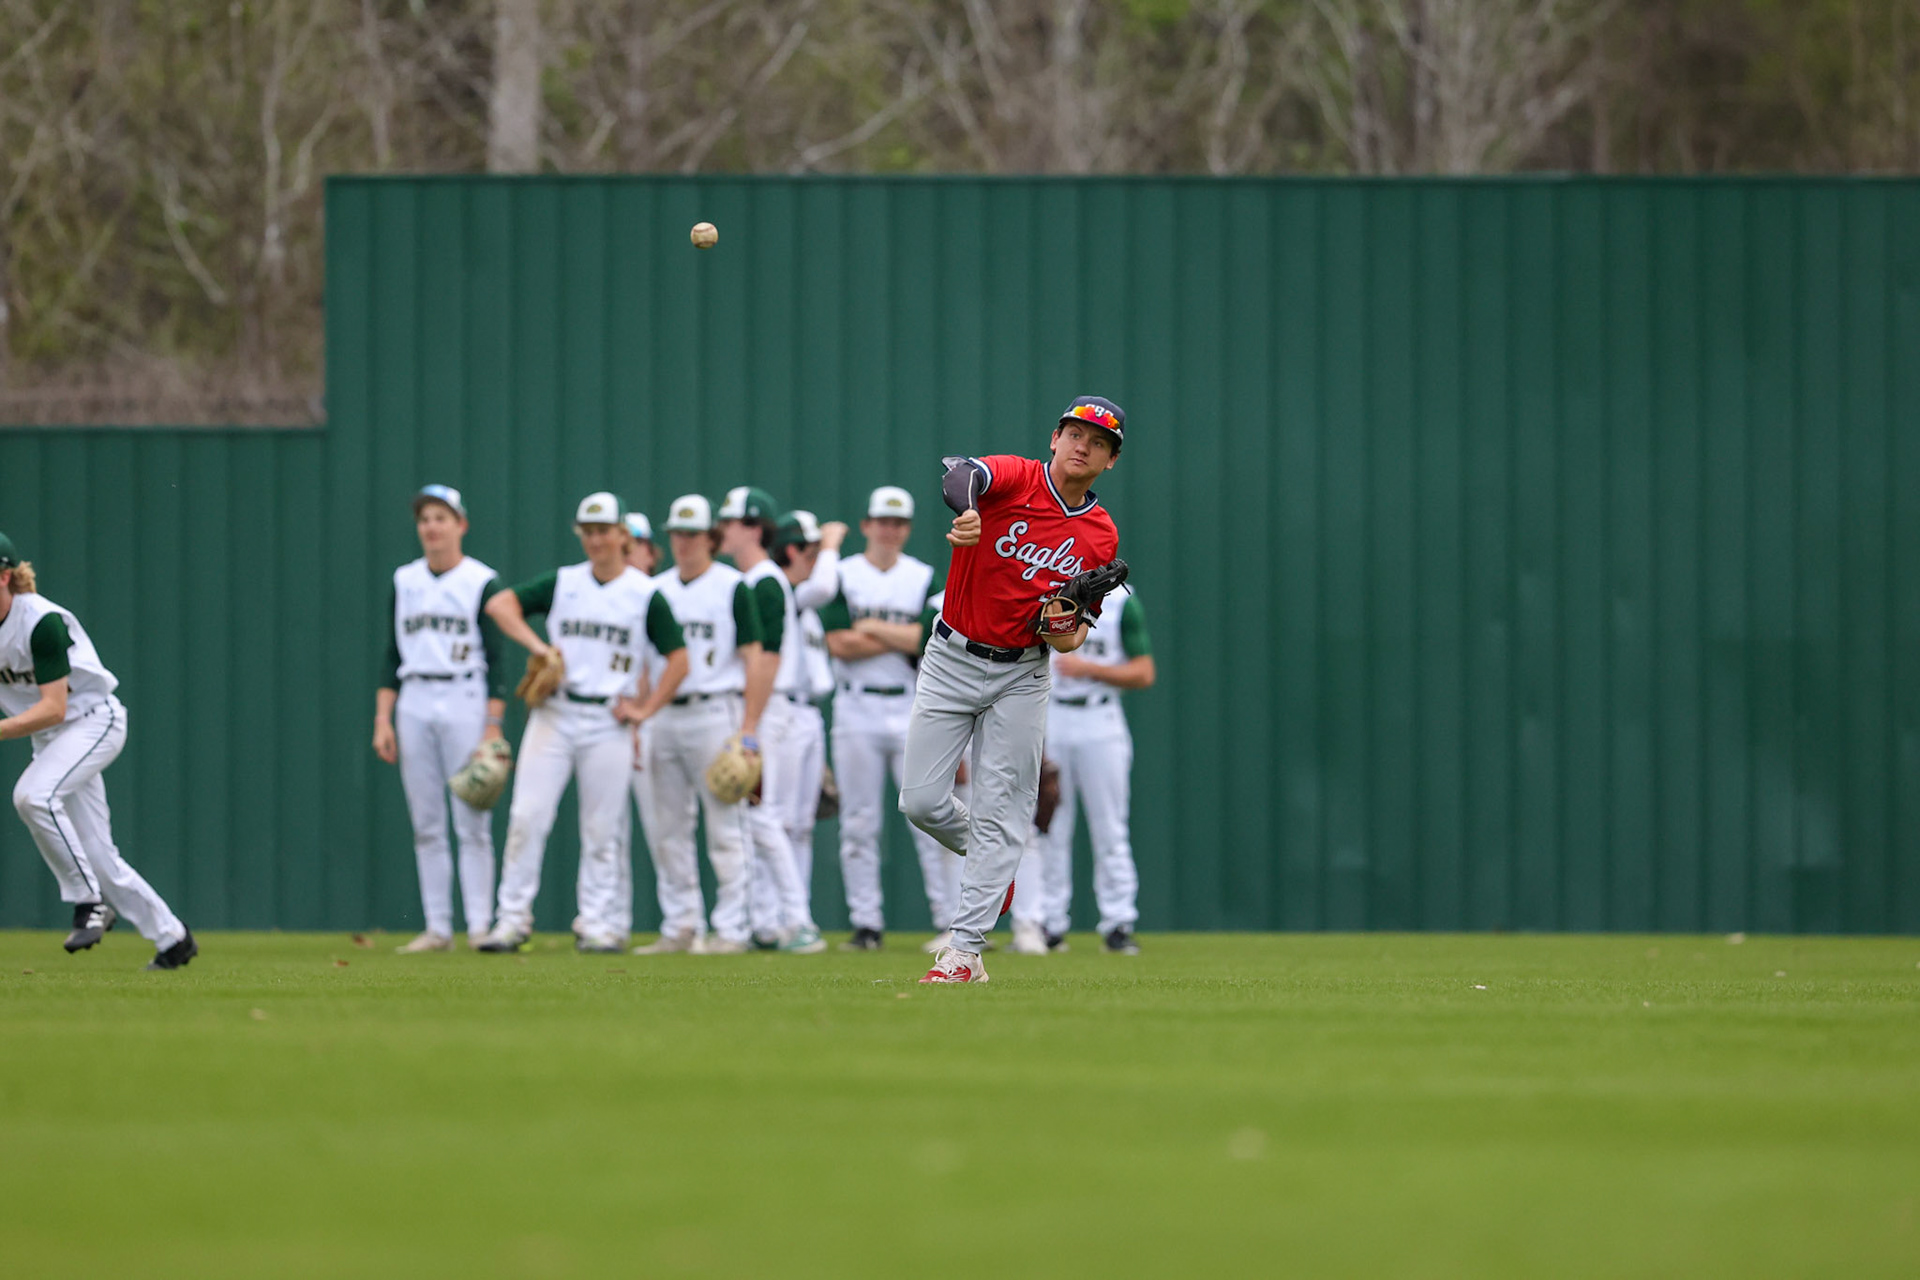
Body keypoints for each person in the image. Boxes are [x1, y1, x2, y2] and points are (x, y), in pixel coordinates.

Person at [901, 397, 1126, 984]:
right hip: (951, 655)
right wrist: (967, 511)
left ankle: (964, 954)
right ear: (1055, 437)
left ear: (1110, 461)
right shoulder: (1016, 477)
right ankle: (995, 869)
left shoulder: (1100, 533)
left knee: (1002, 810)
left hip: (1023, 673)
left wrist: (1063, 625)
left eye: (1098, 443)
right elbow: (962, 474)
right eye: (1075, 433)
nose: (1083, 446)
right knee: (920, 801)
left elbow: (1073, 637)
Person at [477, 492, 688, 953]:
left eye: (603, 531)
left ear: (622, 535)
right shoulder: (564, 582)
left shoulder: (644, 593)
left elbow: (679, 659)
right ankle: (511, 920)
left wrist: (645, 711)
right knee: (527, 816)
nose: (595, 540)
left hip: (608, 718)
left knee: (602, 828)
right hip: (556, 712)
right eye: (588, 532)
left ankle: (596, 922)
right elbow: (500, 605)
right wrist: (538, 646)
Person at [0, 533, 196, 970]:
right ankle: (173, 938)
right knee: (100, 857)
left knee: (32, 796)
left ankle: (88, 902)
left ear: (5, 576)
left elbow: (54, 708)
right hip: (53, 739)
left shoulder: (41, 622)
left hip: (92, 721)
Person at [819, 485, 961, 952]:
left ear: (908, 529)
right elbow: (839, 643)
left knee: (927, 816)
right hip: (855, 705)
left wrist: (872, 627)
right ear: (866, 525)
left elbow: (928, 638)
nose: (889, 530)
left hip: (908, 703)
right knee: (859, 822)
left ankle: (948, 921)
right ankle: (866, 923)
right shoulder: (844, 573)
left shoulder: (921, 575)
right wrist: (899, 635)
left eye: (898, 523)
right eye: (882, 521)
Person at [372, 485, 509, 953]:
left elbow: (496, 657)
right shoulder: (405, 579)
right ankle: (438, 928)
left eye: (441, 518)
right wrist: (383, 718)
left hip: (464, 693)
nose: (431, 527)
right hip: (414, 696)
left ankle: (480, 925)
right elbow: (392, 653)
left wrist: (493, 725)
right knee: (426, 822)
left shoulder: (481, 581)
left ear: (460, 525)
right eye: (425, 519)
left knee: (472, 819)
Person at [632, 494, 763, 954]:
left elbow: (753, 658)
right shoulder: (655, 589)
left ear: (711, 537)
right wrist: (640, 718)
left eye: (692, 533)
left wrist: (749, 727)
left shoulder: (733, 586)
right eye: (677, 533)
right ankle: (681, 925)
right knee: (667, 828)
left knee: (726, 825)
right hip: (664, 714)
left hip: (714, 710)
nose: (683, 542)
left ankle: (732, 928)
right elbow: (645, 662)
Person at [1009, 585, 1155, 956]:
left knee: (1110, 827)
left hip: (1100, 715)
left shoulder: (1121, 602)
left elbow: (1144, 671)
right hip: (1052, 714)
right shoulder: (1046, 592)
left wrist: (1089, 668)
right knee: (1050, 823)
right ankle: (1050, 922)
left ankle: (1118, 922)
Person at [715, 486, 824, 954]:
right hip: (770, 706)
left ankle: (798, 922)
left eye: (730, 522)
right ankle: (766, 922)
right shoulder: (754, 579)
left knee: (763, 818)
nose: (722, 530)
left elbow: (767, 658)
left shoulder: (763, 581)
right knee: (760, 819)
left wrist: (749, 726)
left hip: (770, 705)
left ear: (754, 528)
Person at [748, 510, 846, 943]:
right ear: (791, 550)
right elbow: (825, 586)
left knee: (802, 823)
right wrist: (832, 545)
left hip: (807, 712)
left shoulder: (801, 603)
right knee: (777, 820)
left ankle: (793, 915)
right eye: (810, 551)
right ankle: (767, 919)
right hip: (779, 708)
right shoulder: (787, 591)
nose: (816, 559)